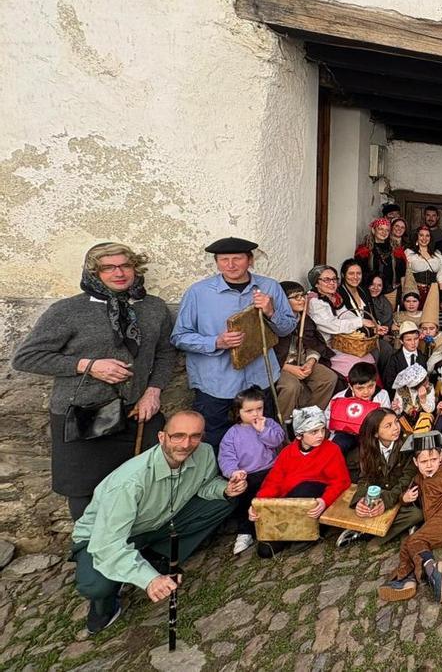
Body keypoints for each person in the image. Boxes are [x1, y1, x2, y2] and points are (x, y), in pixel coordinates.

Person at [13, 242, 176, 520]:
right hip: (83, 414)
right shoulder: (68, 310)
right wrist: (88, 366)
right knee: (85, 492)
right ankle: (89, 546)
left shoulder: (153, 308)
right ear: (94, 273)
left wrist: (153, 390)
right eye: (108, 268)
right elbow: (26, 358)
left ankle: (130, 543)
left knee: (143, 486)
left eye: (125, 266)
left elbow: (165, 353)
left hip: (136, 412)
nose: (119, 273)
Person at [70, 411, 243, 634]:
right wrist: (150, 580)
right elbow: (108, 543)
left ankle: (156, 555)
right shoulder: (129, 483)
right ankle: (106, 605)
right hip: (103, 538)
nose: (186, 444)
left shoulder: (205, 452)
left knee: (225, 501)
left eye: (195, 436)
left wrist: (225, 489)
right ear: (162, 437)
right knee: (94, 585)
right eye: (178, 436)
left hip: (156, 523)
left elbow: (204, 485)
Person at [171, 237, 297, 447]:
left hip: (259, 379)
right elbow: (179, 337)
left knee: (261, 436)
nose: (230, 265)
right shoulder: (198, 292)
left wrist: (270, 311)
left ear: (250, 260)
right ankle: (217, 468)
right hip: (215, 381)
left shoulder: (269, 287)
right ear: (216, 262)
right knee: (213, 438)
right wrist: (216, 342)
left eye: (237, 258)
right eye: (223, 259)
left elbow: (287, 328)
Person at [377, 428, 442, 604]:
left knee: (415, 540)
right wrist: (405, 498)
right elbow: (408, 497)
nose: (429, 465)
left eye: (433, 460)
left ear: (441, 457)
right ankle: (407, 580)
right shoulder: (418, 479)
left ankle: (433, 570)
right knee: (409, 543)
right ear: (416, 462)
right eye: (424, 461)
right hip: (437, 523)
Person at [250, 407, 351, 558]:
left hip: (314, 499)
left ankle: (312, 530)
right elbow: (273, 482)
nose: (320, 435)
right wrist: (259, 504)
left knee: (305, 488)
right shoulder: (287, 453)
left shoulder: (332, 450)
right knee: (265, 551)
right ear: (299, 435)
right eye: (314, 432)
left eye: (322, 430)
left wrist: (324, 501)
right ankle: (295, 533)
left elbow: (341, 481)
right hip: (289, 503)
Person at [335, 407, 424, 547]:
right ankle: (373, 525)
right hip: (380, 492)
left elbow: (406, 481)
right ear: (376, 433)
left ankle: (365, 533)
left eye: (396, 422)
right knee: (359, 507)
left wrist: (386, 502)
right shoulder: (368, 446)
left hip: (400, 495)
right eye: (388, 426)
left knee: (416, 514)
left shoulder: (408, 443)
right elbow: (365, 478)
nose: (396, 428)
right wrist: (361, 501)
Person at [218, 387, 286, 555]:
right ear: (238, 412)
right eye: (249, 411)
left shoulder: (269, 423)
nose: (255, 414)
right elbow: (226, 457)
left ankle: (279, 522)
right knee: (245, 496)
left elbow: (278, 440)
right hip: (248, 474)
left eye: (259, 409)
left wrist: (263, 430)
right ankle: (245, 531)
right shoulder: (232, 434)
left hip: (271, 468)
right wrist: (234, 472)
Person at [306, 264, 389, 379]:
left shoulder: (334, 296)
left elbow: (344, 314)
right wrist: (360, 322)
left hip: (339, 341)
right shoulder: (315, 301)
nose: (332, 283)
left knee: (370, 356)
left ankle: (371, 388)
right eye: (326, 280)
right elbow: (331, 325)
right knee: (359, 363)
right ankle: (353, 388)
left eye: (334, 279)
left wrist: (372, 326)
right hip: (324, 346)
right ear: (316, 283)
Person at [273, 281, 339, 420]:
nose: (301, 299)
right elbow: (267, 355)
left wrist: (310, 361)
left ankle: (308, 419)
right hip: (280, 366)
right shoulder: (274, 322)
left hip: (302, 361)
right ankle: (282, 423)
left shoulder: (305, 319)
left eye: (302, 295)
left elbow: (313, 345)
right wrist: (289, 368)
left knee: (328, 378)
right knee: (291, 386)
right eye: (295, 297)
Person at [326, 362, 390, 459]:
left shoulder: (382, 395)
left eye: (370, 386)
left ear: (375, 382)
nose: (366, 392)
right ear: (350, 386)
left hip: (371, 434)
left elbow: (386, 419)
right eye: (360, 388)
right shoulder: (339, 399)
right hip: (346, 434)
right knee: (337, 446)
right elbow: (328, 419)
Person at [340, 258, 394, 369]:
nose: (355, 277)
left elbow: (371, 315)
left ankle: (384, 378)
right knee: (375, 353)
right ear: (343, 275)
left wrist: (376, 327)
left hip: (368, 336)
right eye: (351, 273)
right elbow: (343, 318)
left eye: (358, 273)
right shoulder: (339, 293)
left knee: (387, 349)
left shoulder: (363, 291)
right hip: (350, 338)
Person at [354, 217, 406, 305]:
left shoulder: (397, 250)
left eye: (387, 230)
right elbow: (359, 273)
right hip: (370, 291)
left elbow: (403, 274)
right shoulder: (364, 250)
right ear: (373, 230)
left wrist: (403, 292)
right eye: (380, 229)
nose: (384, 232)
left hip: (391, 292)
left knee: (389, 313)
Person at [405, 226, 442, 306]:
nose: (424, 238)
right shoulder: (409, 253)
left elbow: (441, 275)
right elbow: (405, 274)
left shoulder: (437, 254)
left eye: (427, 235)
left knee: (431, 312)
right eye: (421, 235)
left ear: (430, 238)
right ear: (416, 237)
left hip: (433, 291)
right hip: (414, 292)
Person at [383, 321, 426, 391]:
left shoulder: (422, 357)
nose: (413, 343)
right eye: (408, 340)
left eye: (416, 339)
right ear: (401, 341)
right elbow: (389, 383)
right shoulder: (394, 359)